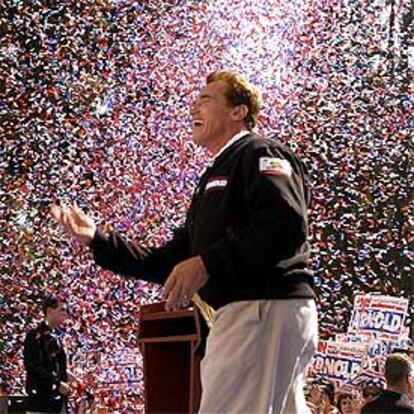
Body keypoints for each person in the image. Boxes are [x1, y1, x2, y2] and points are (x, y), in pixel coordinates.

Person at [51, 70, 317, 413]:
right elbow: (171, 262)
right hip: (254, 313)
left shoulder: (258, 152)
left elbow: (285, 224)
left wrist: (208, 263)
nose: (194, 105)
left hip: (259, 307)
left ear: (238, 112)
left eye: (206, 99)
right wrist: (98, 239)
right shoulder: (215, 174)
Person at [23, 296, 71, 414]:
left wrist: (70, 377)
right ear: (50, 311)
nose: (65, 314)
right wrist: (57, 383)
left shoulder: (57, 336)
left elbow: (54, 365)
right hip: (41, 401)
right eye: (62, 310)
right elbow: (33, 367)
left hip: (56, 401)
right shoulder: (35, 335)